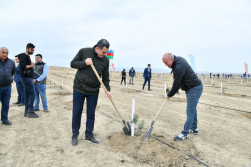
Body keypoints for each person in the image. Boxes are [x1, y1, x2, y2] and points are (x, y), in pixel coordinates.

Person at [70, 39, 112, 146]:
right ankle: (75, 135)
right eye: (103, 52)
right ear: (97, 48)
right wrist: (85, 63)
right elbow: (73, 64)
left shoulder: (105, 61)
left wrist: (107, 90)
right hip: (79, 88)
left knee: (91, 114)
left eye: (106, 52)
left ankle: (89, 135)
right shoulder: (84, 52)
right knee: (77, 112)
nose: (104, 54)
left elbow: (106, 77)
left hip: (93, 91)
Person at [162, 53, 203, 141]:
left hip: (194, 88)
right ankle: (194, 128)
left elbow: (176, 84)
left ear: (171, 59)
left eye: (166, 63)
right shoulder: (178, 61)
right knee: (192, 109)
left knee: (190, 111)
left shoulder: (178, 67)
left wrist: (169, 94)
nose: (166, 65)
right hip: (192, 88)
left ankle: (184, 134)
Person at [19, 43, 39, 118]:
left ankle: (27, 112)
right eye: (31, 50)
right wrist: (31, 65)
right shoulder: (24, 55)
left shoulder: (26, 56)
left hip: (26, 77)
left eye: (33, 50)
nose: (33, 51)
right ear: (27, 48)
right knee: (32, 93)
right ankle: (30, 111)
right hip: (26, 77)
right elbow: (22, 66)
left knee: (28, 93)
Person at [0, 47, 15, 125]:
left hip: (7, 87)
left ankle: (4, 120)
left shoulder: (11, 62)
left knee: (6, 104)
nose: (5, 54)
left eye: (6, 53)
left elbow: (12, 72)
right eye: (3, 52)